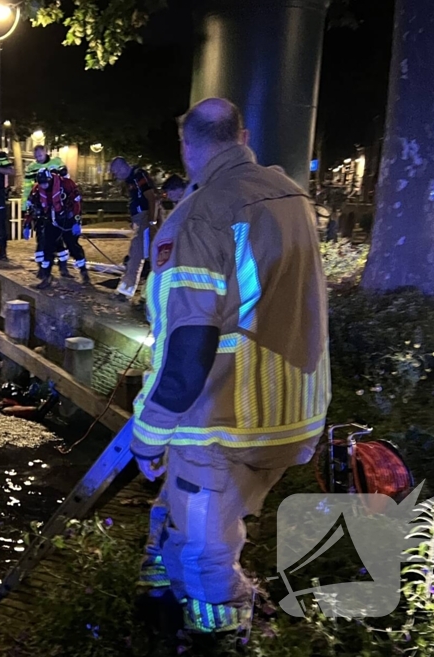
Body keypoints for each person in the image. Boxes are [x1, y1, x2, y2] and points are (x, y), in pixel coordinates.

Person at [132, 98, 331, 635]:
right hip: (295, 409)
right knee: (195, 514)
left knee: (206, 558)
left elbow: (190, 348)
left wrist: (147, 437)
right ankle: (161, 594)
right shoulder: (294, 198)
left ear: (186, 145)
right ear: (242, 135)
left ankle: (221, 632)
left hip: (224, 416)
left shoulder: (198, 217)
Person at [27, 168, 90, 289]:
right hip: (51, 220)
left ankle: (84, 273)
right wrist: (27, 223)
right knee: (47, 248)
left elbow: (76, 203)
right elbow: (32, 206)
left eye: (45, 182)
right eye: (41, 183)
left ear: (50, 179)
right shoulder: (37, 189)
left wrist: (76, 220)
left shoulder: (66, 184)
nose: (44, 185)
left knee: (73, 246)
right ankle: (46, 277)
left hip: (67, 220)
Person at [111, 156, 159, 301]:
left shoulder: (139, 175)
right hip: (141, 219)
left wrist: (152, 222)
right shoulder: (132, 179)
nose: (116, 175)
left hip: (144, 218)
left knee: (136, 254)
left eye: (115, 172)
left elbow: (151, 198)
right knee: (149, 255)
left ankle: (126, 290)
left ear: (122, 167)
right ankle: (147, 293)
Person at [23, 146, 69, 274]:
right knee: (41, 239)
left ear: (45, 152)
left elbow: (66, 182)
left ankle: (62, 266)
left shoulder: (57, 162)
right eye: (36, 155)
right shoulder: (31, 168)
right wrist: (26, 209)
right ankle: (42, 269)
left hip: (55, 208)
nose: (38, 157)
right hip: (41, 208)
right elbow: (27, 189)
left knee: (57, 239)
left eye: (40, 154)